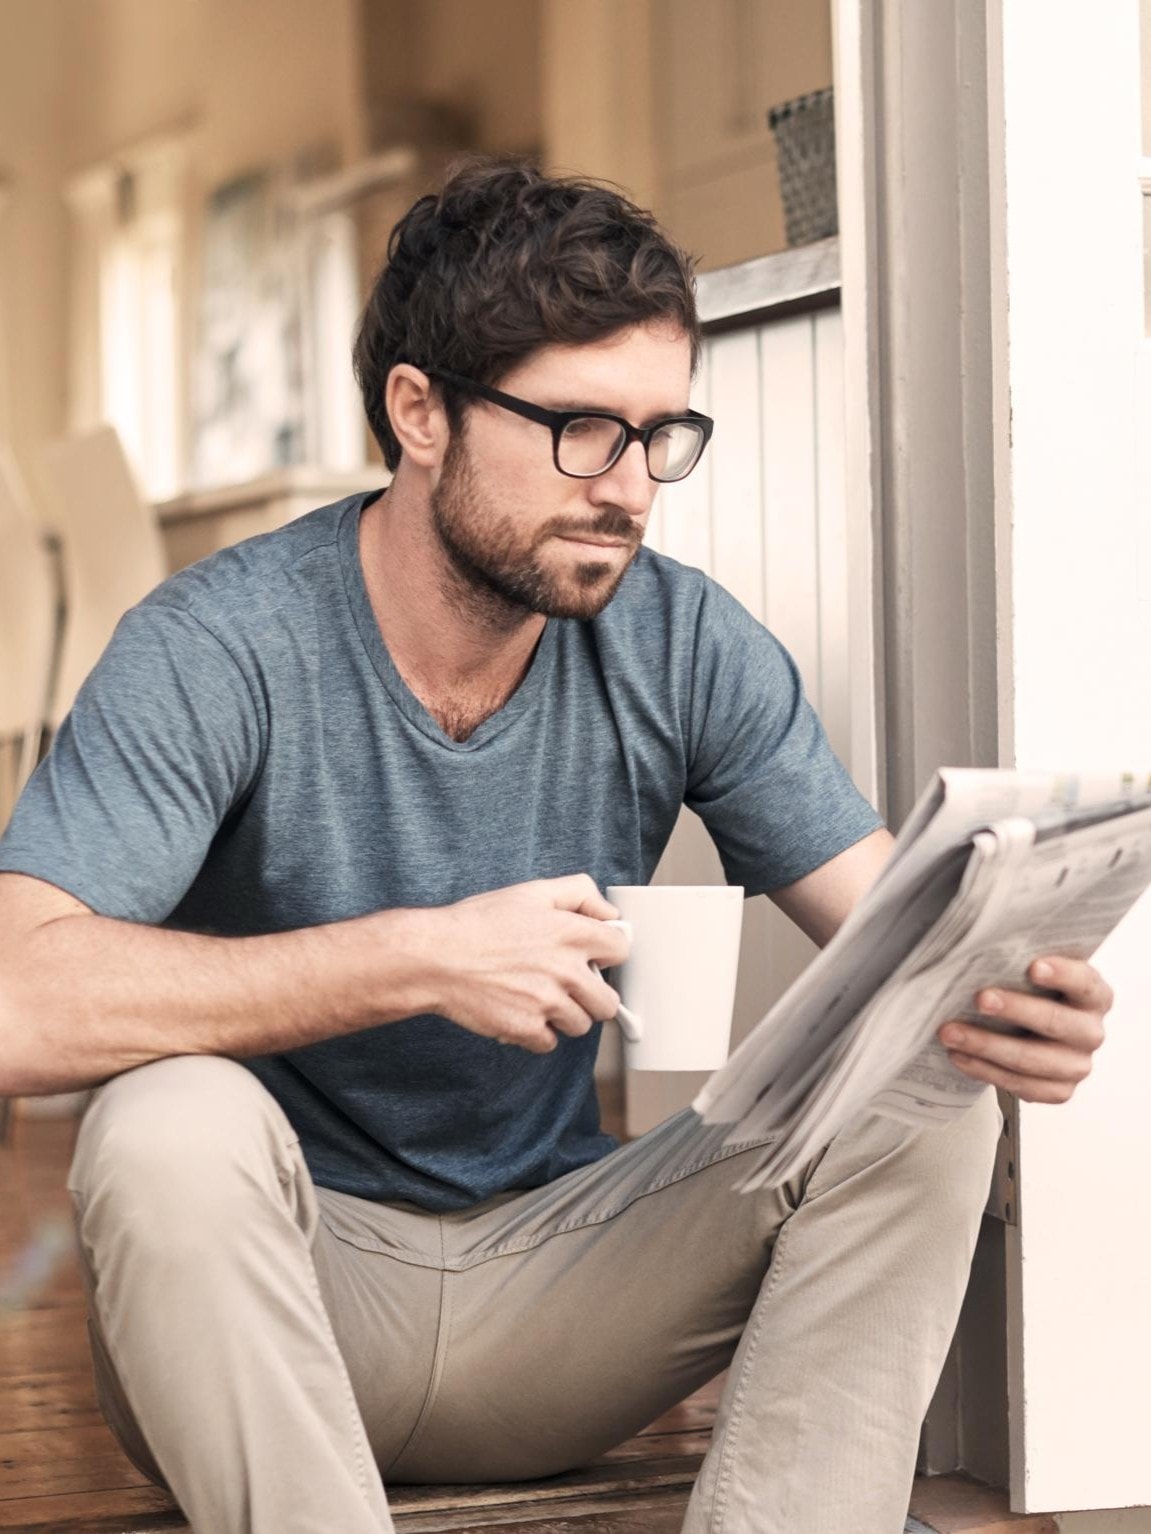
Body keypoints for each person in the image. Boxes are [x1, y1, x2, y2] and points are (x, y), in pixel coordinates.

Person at [0, 159, 1111, 1534]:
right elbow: (20, 998)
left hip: (563, 1294)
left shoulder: (685, 641)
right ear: (421, 412)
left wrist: (1004, 998)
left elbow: (898, 935)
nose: (631, 489)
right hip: (281, 1308)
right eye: (582, 430)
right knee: (163, 1125)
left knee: (920, 1095)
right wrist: (416, 956)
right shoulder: (217, 646)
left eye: (661, 435)